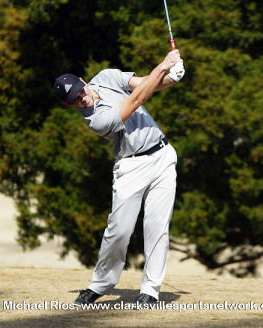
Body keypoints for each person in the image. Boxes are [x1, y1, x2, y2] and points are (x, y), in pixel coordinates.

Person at [53, 49, 185, 308]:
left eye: (80, 91)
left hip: (163, 155)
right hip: (131, 167)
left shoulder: (106, 76)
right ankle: (100, 285)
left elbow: (145, 83)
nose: (82, 99)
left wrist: (172, 77)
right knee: (119, 230)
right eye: (75, 100)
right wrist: (163, 65)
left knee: (157, 226)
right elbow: (135, 100)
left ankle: (150, 291)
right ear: (67, 105)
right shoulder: (96, 120)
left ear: (82, 80)